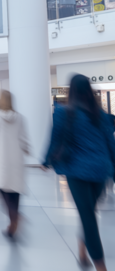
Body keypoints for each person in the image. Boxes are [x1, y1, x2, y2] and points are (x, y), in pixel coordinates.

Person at [43, 74, 115, 271]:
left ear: (71, 90)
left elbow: (54, 140)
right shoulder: (101, 115)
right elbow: (111, 145)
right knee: (89, 214)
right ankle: (82, 251)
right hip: (101, 171)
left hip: (78, 171)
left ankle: (101, 267)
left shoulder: (63, 113)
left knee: (88, 217)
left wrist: (45, 160)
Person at [0, 91, 30, 239]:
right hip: (16, 158)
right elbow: (24, 138)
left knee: (0, 188)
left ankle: (15, 218)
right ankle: (13, 224)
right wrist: (26, 149)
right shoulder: (20, 117)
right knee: (14, 191)